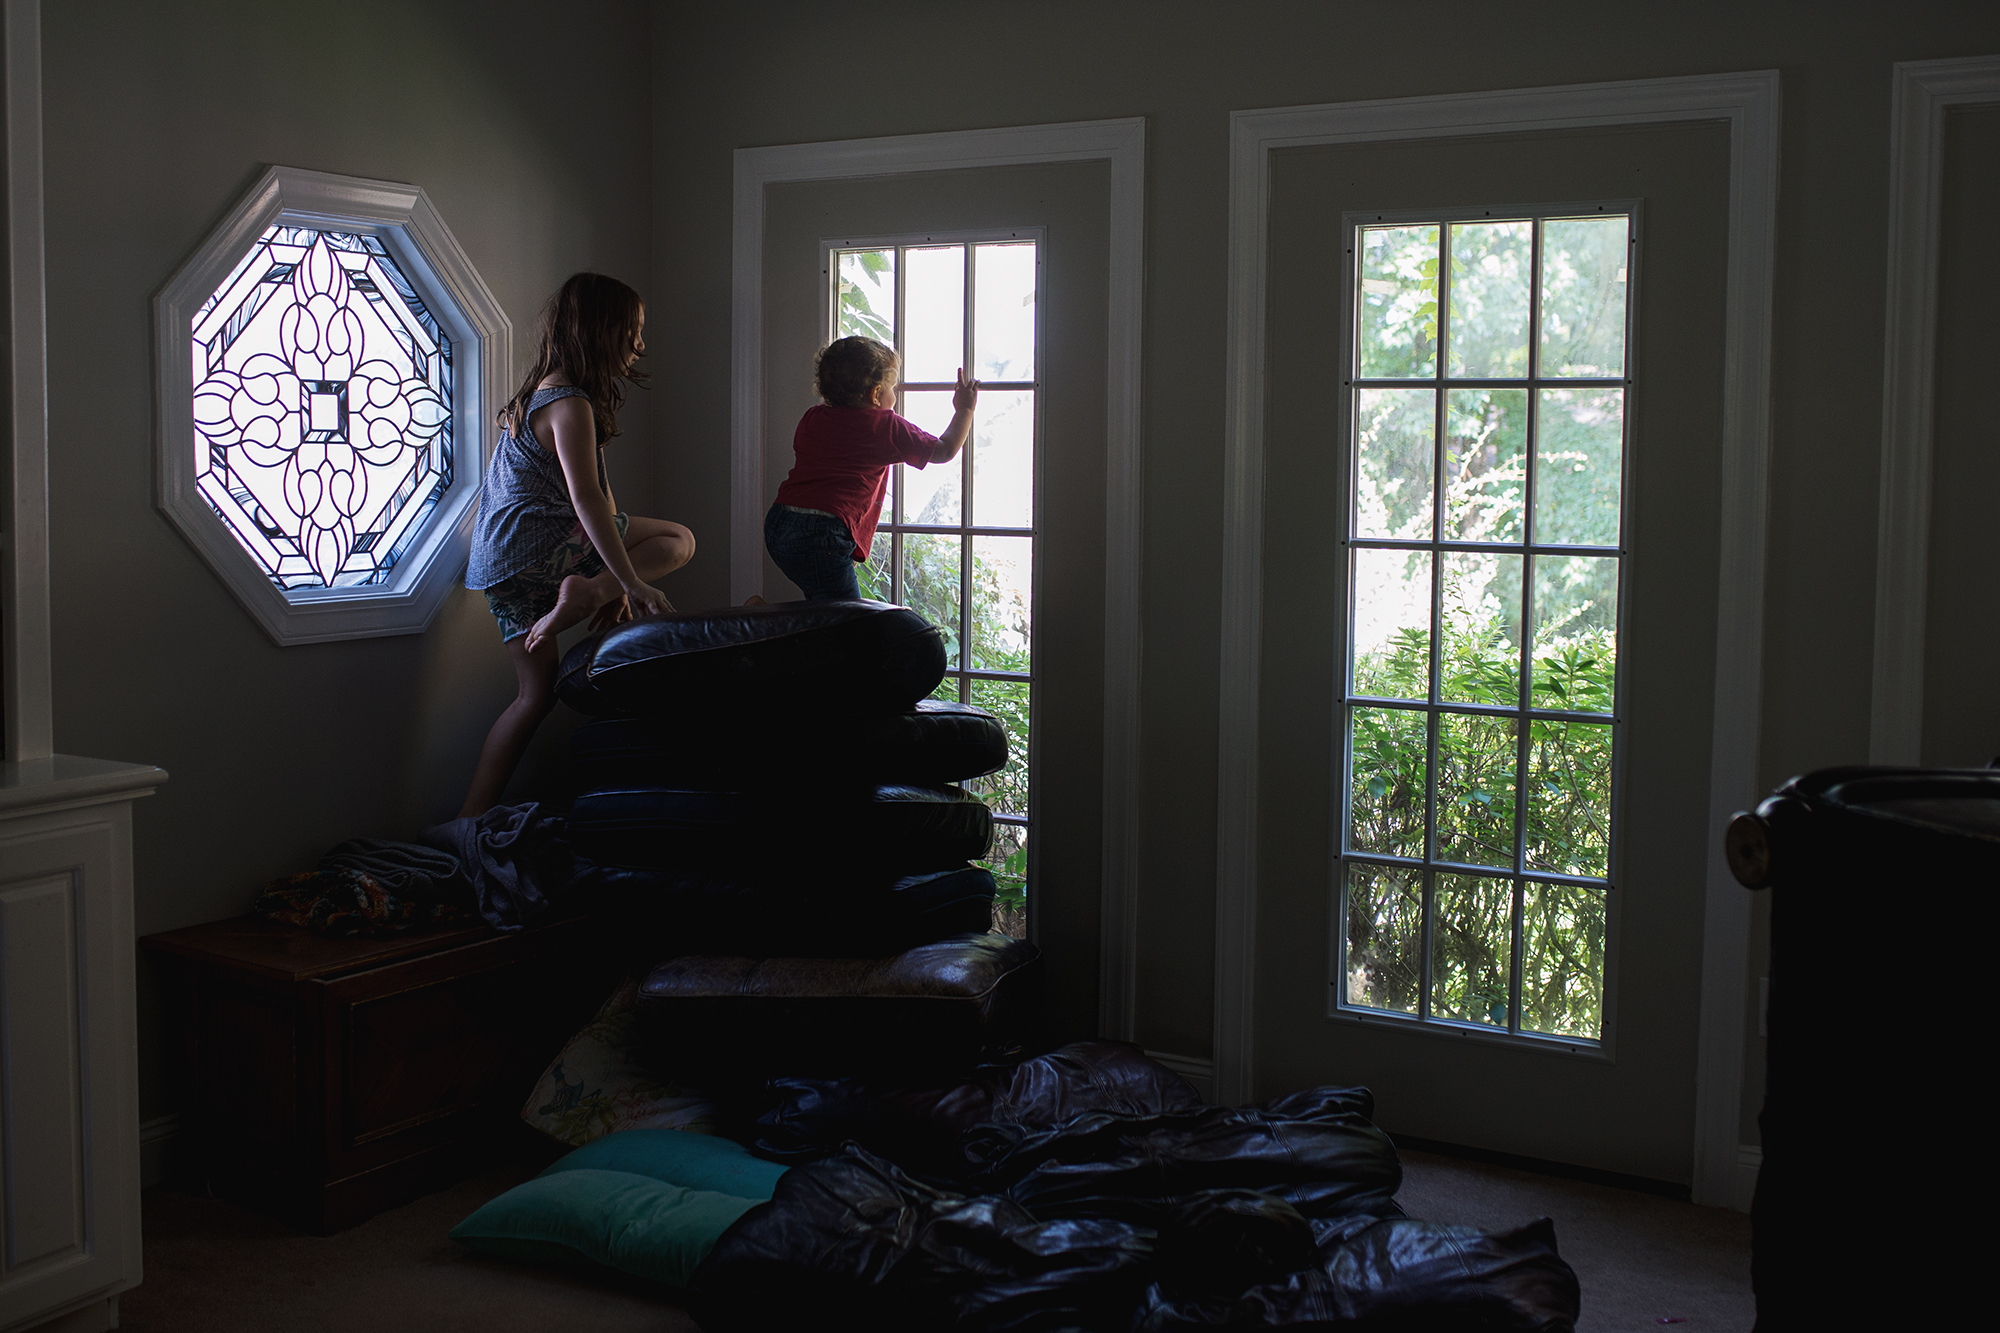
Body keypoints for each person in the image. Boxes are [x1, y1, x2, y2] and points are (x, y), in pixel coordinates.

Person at [459, 273, 694, 816]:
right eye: (630, 332)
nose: (638, 345)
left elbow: (605, 505)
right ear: (597, 331)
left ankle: (467, 821)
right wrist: (628, 582)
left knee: (532, 697)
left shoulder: (537, 393)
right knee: (679, 539)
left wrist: (609, 580)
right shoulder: (571, 405)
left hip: (500, 562)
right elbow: (588, 503)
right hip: (542, 544)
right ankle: (587, 593)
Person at [764, 336, 976, 600]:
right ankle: (760, 620)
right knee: (848, 621)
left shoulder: (813, 417)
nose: (895, 395)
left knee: (822, 604)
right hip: (823, 533)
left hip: (779, 524)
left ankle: (759, 611)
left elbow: (828, 461)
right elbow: (944, 450)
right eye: (893, 388)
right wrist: (964, 410)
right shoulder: (885, 426)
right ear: (876, 394)